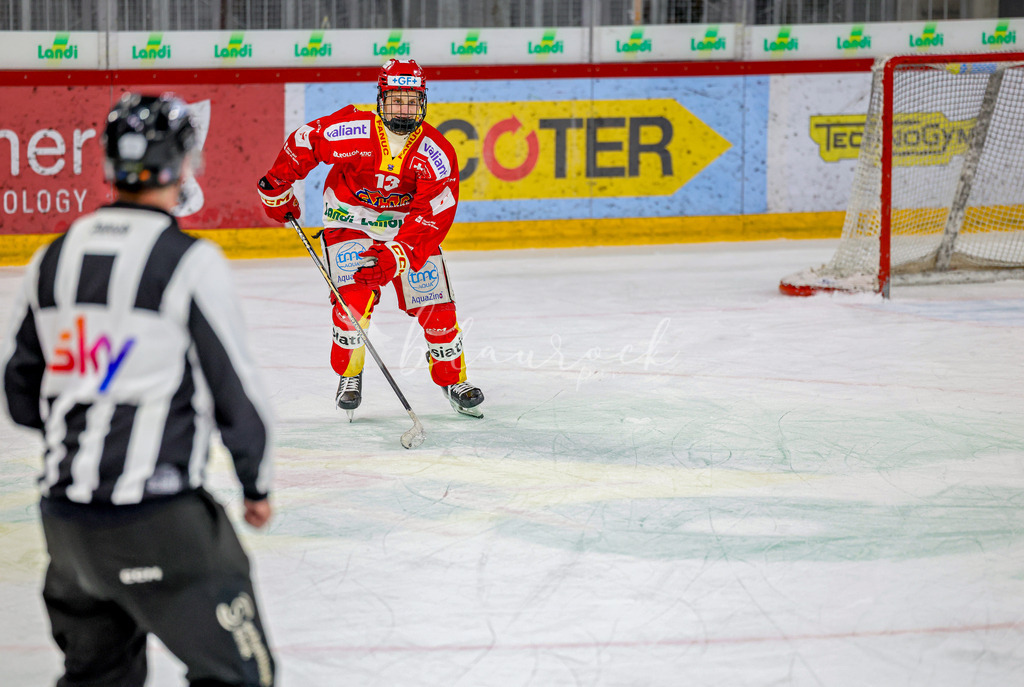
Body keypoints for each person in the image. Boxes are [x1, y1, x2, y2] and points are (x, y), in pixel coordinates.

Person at [0, 92, 276, 687]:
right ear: (182, 165)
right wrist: (256, 485)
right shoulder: (189, 260)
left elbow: (20, 393)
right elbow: (236, 392)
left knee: (98, 677)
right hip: (160, 522)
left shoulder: (52, 257)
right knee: (240, 675)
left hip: (67, 530)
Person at [257, 58, 485, 420]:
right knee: (351, 304)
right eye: (396, 100)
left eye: (411, 101)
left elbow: (433, 216)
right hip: (350, 221)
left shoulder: (436, 153)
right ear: (381, 99)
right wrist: (277, 185)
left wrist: (397, 255)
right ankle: (350, 374)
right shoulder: (354, 130)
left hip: (407, 230)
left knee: (438, 310)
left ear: (423, 102)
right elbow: (307, 141)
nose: (403, 109)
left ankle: (452, 379)